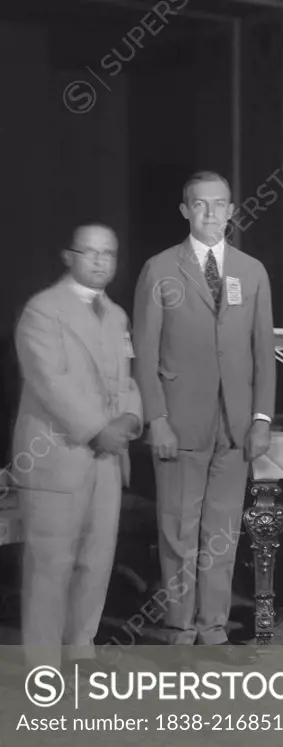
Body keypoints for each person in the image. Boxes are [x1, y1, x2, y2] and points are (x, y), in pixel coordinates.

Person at [133, 171, 275, 661]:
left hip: (235, 425)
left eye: (219, 205)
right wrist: (156, 419)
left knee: (222, 532)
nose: (211, 214)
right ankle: (179, 630)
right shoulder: (159, 270)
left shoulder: (252, 272)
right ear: (185, 211)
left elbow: (263, 353)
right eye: (200, 206)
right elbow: (144, 354)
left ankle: (213, 629)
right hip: (179, 422)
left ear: (233, 210)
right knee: (177, 530)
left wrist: (261, 419)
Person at [14, 224, 142, 670]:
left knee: (95, 562)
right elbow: (50, 382)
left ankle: (81, 652)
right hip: (56, 457)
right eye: (90, 252)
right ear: (69, 257)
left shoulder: (118, 316)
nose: (100, 261)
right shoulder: (43, 311)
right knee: (51, 565)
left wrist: (130, 417)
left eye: (108, 253)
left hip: (107, 460)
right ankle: (44, 666)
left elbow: (125, 380)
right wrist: (97, 429)